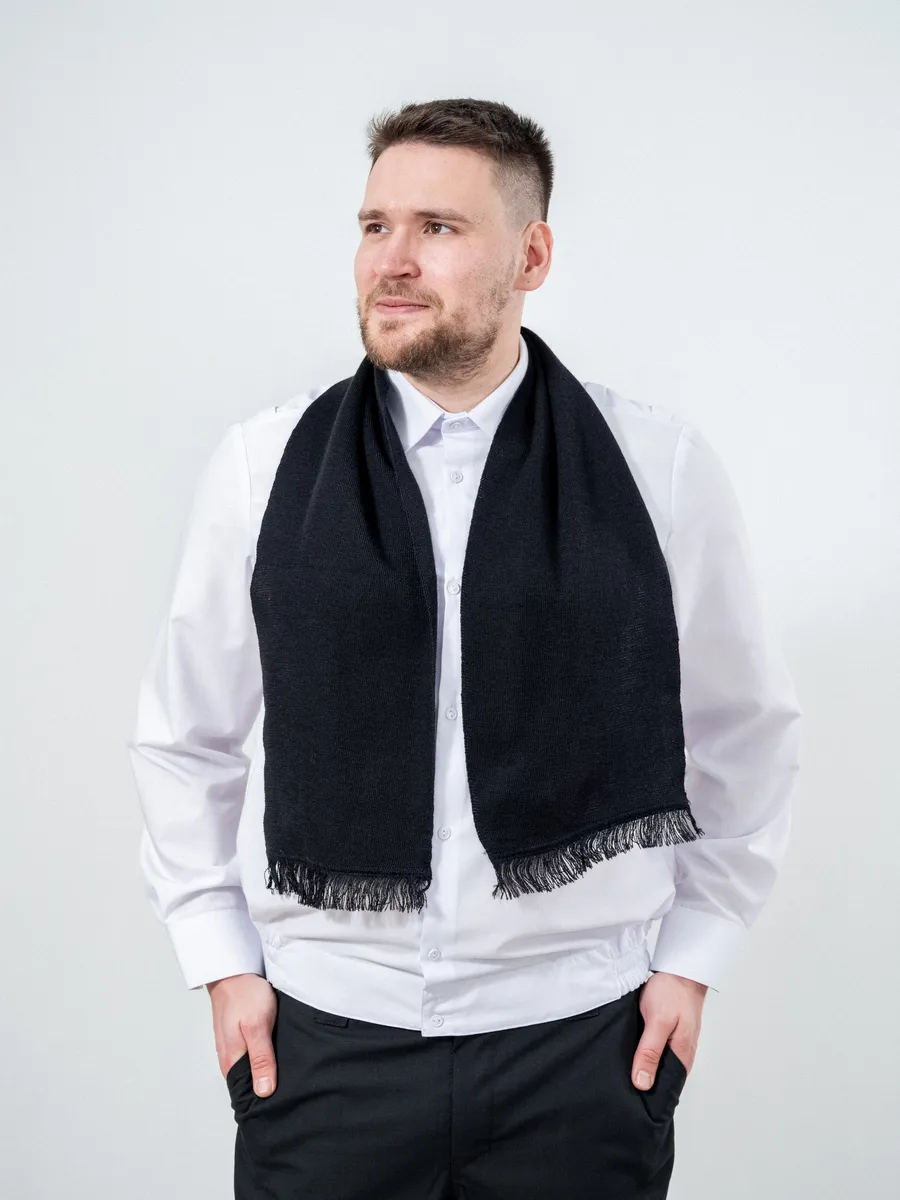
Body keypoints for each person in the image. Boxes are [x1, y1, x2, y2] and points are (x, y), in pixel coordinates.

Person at [127, 97, 802, 1200]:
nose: (391, 260)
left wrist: (694, 957)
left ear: (531, 257)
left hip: (583, 1044)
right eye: (375, 225)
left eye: (437, 228)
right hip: (323, 1039)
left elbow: (745, 730)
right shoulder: (264, 467)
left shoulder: (657, 469)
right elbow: (185, 735)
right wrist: (220, 963)